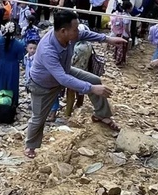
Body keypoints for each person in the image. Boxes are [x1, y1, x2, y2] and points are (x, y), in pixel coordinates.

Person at [24, 10, 127, 158]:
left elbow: (85, 35)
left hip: (64, 71)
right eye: (75, 29)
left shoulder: (70, 36)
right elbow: (63, 79)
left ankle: (102, 115)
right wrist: (91, 89)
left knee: (94, 80)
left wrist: (107, 39)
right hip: (43, 85)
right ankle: (30, 146)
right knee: (38, 118)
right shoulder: (48, 49)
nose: (78, 31)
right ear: (63, 31)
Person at [0, 22, 26, 108]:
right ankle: (12, 102)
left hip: (1, 64)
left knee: (0, 83)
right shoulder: (19, 44)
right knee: (12, 84)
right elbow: (20, 57)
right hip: (13, 65)